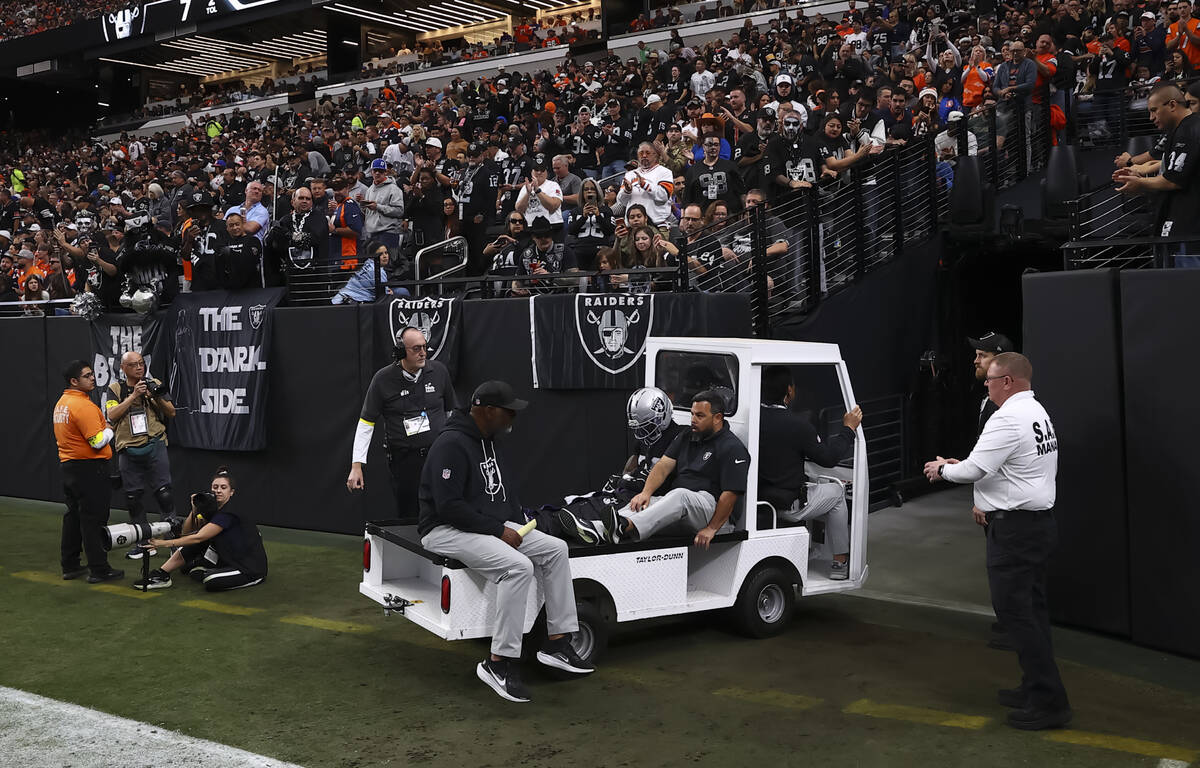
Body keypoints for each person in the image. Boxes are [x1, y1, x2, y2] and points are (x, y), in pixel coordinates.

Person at [419, 380, 594, 702]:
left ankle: (557, 642)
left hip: (484, 525)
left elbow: (501, 493)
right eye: (508, 411)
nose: (513, 417)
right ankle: (498, 663)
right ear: (487, 411)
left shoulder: (490, 440)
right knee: (517, 567)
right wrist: (499, 531)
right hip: (444, 529)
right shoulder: (451, 444)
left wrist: (517, 520)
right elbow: (448, 506)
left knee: (555, 549)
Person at [923, 353, 1069, 730]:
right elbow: (1007, 466)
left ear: (1008, 381)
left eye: (990, 379)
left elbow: (975, 469)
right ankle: (1035, 687)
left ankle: (1049, 701)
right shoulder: (1037, 412)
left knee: (1016, 614)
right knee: (1031, 612)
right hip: (1034, 525)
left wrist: (944, 469)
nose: (984, 385)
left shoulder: (1006, 418)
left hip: (1016, 531)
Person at [604, 390, 750, 548]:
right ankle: (599, 529)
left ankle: (623, 526)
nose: (693, 420)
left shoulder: (732, 447)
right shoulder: (687, 435)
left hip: (714, 513)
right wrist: (645, 493)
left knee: (680, 496)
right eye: (692, 414)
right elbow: (663, 466)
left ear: (718, 418)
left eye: (700, 416)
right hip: (682, 508)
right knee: (648, 503)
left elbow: (731, 494)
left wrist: (712, 528)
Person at [757, 366, 862, 580]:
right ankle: (839, 563)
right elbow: (829, 458)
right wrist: (848, 429)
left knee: (809, 482)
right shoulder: (798, 426)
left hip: (756, 501)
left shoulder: (750, 418)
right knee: (836, 491)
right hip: (786, 506)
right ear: (789, 390)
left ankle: (806, 549)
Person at [348, 326, 458, 519]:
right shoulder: (383, 379)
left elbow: (451, 414)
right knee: (410, 514)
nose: (423, 352)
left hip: (438, 455)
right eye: (416, 348)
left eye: (424, 347)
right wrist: (356, 465)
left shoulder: (439, 372)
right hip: (405, 460)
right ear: (400, 352)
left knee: (445, 507)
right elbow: (366, 424)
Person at [136, 467, 269, 591]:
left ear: (231, 492)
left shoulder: (229, 512)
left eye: (223, 487)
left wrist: (163, 543)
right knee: (193, 550)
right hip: (228, 555)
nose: (218, 490)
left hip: (249, 567)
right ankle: (162, 574)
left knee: (210, 580)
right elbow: (186, 533)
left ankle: (214, 570)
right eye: (215, 487)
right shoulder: (212, 508)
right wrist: (194, 510)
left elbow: (199, 537)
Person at [967, 331, 1018, 652]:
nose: (975, 360)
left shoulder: (1007, 409)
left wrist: (984, 500)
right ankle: (1009, 622)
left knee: (1007, 570)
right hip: (997, 501)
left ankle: (1014, 628)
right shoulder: (989, 400)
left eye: (982, 356)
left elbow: (996, 462)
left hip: (1006, 506)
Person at [1114, 82, 1200, 267]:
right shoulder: (1179, 131)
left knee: (1186, 287)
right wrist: (1141, 179)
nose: (1151, 117)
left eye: (1154, 110)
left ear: (1171, 105)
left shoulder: (1189, 131)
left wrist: (1141, 184)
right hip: (1181, 221)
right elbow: (1171, 170)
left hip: (1190, 228)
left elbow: (1173, 181)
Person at [103, 351, 177, 561]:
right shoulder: (114, 388)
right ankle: (144, 544)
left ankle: (172, 542)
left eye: (141, 363)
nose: (139, 368)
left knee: (164, 494)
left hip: (155, 443)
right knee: (133, 498)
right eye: (133, 364)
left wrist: (153, 396)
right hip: (128, 448)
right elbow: (112, 414)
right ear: (123, 368)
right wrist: (134, 396)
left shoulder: (154, 383)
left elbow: (171, 412)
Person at [53, 360, 122, 584]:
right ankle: (99, 569)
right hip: (90, 469)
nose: (93, 378)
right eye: (87, 375)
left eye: (92, 374)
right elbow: (97, 441)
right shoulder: (83, 406)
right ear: (74, 381)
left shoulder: (62, 403)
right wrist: (109, 429)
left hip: (70, 467)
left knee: (74, 516)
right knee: (93, 519)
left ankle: (70, 564)